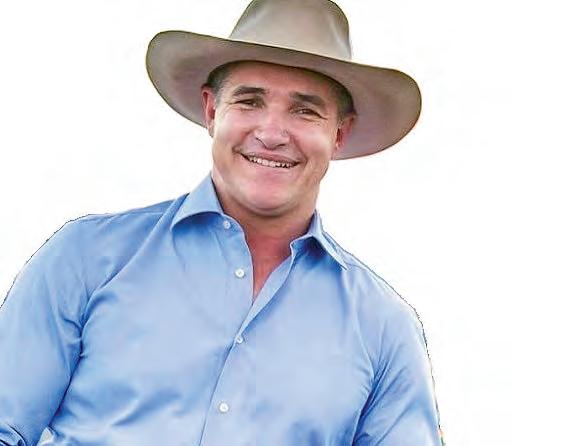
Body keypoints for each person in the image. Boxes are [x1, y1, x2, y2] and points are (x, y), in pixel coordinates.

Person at [0, 0, 443, 444]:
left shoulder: (384, 328)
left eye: (305, 110)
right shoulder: (86, 258)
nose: (271, 134)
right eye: (249, 101)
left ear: (339, 133)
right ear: (212, 111)